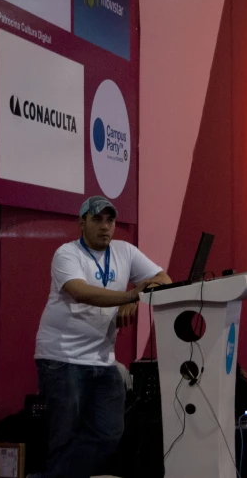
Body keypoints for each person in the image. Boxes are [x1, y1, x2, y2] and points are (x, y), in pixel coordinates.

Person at [34, 196, 172, 478]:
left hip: (103, 358)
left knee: (109, 433)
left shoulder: (125, 251)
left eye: (110, 220)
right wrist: (132, 293)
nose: (105, 226)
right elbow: (80, 291)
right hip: (62, 359)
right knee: (63, 439)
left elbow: (163, 279)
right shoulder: (67, 254)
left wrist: (133, 300)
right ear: (81, 223)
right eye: (97, 219)